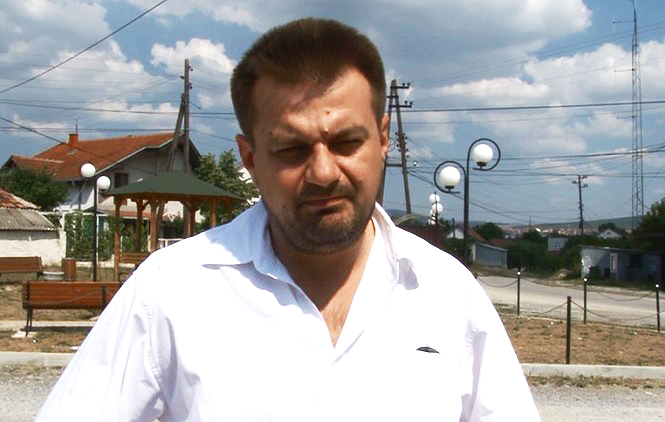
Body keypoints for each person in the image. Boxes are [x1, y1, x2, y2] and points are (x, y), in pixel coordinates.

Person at [35, 18, 540, 421]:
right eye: (292, 149)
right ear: (250, 157)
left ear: (384, 140)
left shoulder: (449, 295)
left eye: (347, 142)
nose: (323, 173)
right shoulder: (170, 293)